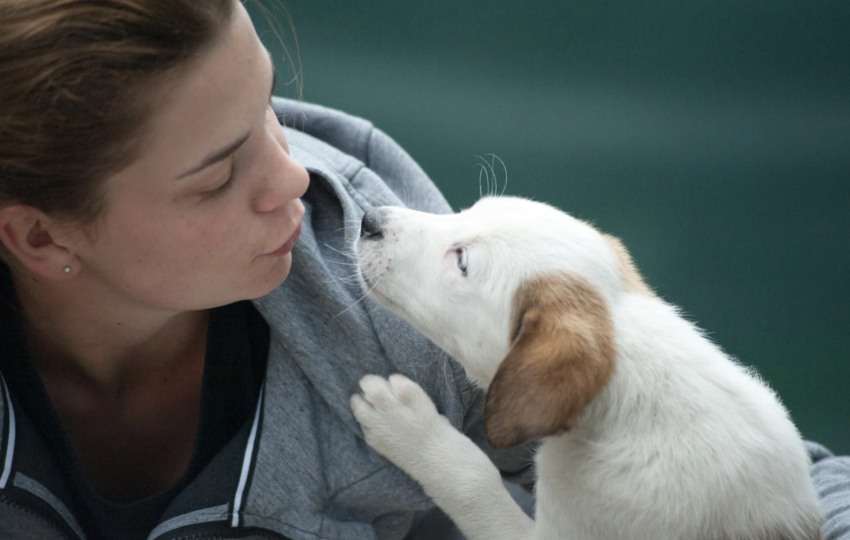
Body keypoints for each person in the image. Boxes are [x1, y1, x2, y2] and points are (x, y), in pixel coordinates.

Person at [0, 1, 846, 539]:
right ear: (38, 240)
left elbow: (776, 487)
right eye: (220, 176)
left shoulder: (396, 317)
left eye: (266, 103)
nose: (296, 176)